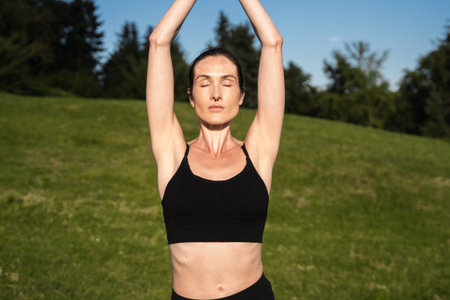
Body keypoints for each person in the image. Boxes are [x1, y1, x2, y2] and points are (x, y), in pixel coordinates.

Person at [146, 0, 284, 299]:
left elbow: (272, 43)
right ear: (191, 97)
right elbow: (158, 41)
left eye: (228, 83)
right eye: (204, 83)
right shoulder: (171, 154)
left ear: (242, 95)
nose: (217, 93)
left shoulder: (259, 152)